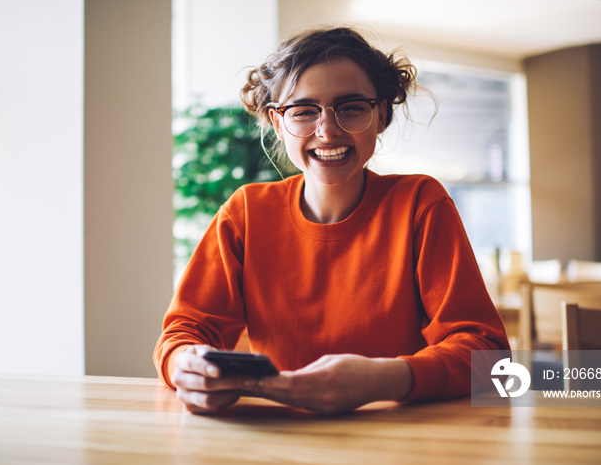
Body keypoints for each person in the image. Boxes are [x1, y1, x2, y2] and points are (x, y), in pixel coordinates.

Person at [154, 26, 510, 415]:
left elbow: (489, 359)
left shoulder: (420, 204)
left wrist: (384, 378)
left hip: (396, 437)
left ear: (381, 115)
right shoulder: (245, 213)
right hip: (276, 438)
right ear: (277, 122)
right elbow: (182, 334)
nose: (327, 130)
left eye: (352, 107)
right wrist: (185, 367)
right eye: (304, 111)